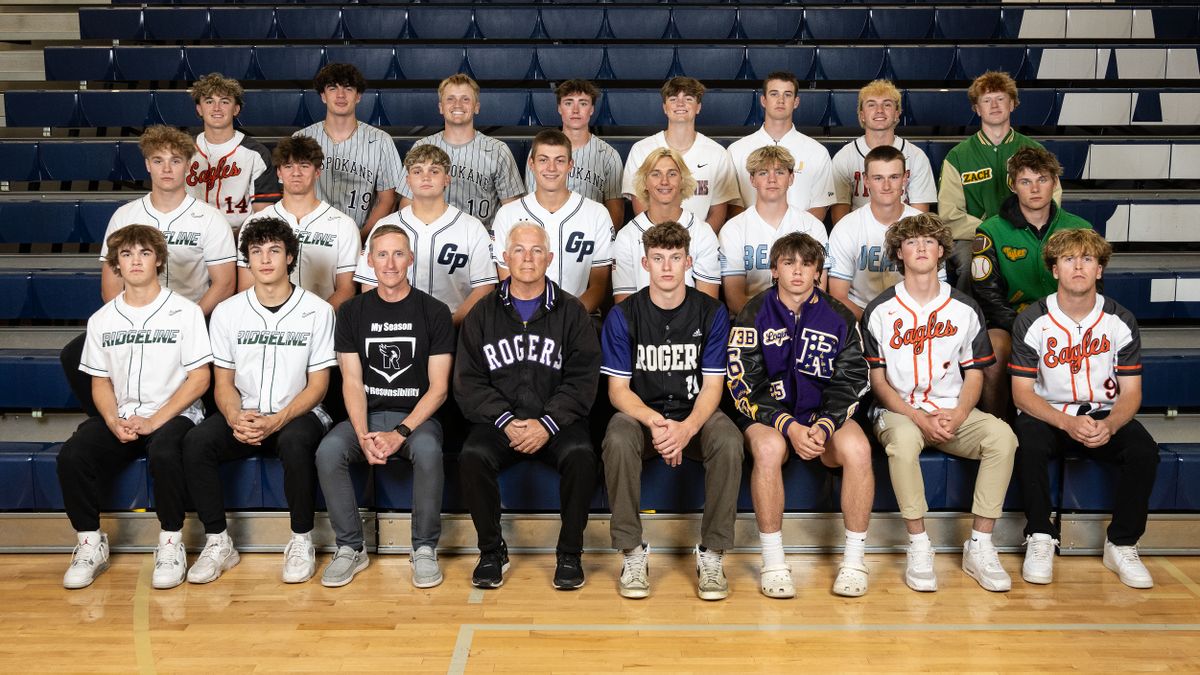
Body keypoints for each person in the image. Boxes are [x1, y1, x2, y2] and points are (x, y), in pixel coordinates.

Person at [862, 213, 1017, 593]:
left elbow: (976, 373)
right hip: (900, 411)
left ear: (941, 251)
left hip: (951, 409)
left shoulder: (964, 307)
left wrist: (960, 413)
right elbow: (878, 382)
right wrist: (918, 417)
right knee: (902, 443)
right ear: (899, 253)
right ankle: (918, 544)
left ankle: (980, 544)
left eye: (929, 241)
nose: (921, 248)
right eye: (911, 242)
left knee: (1003, 438)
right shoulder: (880, 309)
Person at [57, 226, 212, 590]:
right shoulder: (102, 320)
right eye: (126, 255)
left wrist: (155, 420)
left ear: (158, 259)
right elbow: (100, 382)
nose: (136, 261)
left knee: (165, 452)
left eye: (144, 253)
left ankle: (171, 543)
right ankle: (89, 542)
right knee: (72, 455)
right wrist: (113, 420)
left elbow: (200, 378)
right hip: (125, 415)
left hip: (174, 414)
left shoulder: (185, 312)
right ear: (116, 264)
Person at [182, 218, 336, 585]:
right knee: (196, 443)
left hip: (298, 411)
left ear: (290, 257)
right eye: (256, 251)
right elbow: (223, 382)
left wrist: (278, 419)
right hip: (245, 411)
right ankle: (218, 541)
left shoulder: (318, 310)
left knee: (296, 442)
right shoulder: (228, 312)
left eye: (274, 251)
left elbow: (318, 386)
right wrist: (235, 416)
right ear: (247, 260)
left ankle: (301, 540)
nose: (265, 259)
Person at [454, 224, 601, 591]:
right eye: (519, 250)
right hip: (499, 422)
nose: (528, 258)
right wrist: (505, 421)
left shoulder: (572, 311)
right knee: (472, 455)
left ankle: (570, 553)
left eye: (536, 251)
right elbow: (468, 382)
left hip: (557, 422)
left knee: (581, 455)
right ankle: (492, 551)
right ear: (505, 258)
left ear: (549, 258)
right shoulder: (482, 313)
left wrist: (547, 424)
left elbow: (582, 379)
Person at [727, 233, 874, 599]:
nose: (797, 271)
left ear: (818, 272)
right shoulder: (754, 313)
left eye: (807, 264)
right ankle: (774, 561)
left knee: (858, 448)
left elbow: (853, 378)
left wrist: (825, 424)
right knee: (769, 449)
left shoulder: (839, 316)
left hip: (823, 417)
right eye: (789, 263)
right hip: (771, 418)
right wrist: (788, 426)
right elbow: (743, 382)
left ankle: (854, 561)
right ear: (775, 269)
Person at [1010, 229, 1158, 589]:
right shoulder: (1033, 320)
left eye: (1087, 259)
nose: (1078, 267)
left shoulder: (1120, 319)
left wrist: (1111, 424)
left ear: (1099, 269)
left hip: (1102, 414)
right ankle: (1040, 535)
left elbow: (1132, 393)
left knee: (1143, 450)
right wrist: (1067, 422)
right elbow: (1021, 395)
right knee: (1027, 442)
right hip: (1049, 414)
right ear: (1055, 269)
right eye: (1069, 259)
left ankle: (1121, 543)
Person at [601, 221, 740, 601]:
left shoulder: (711, 312)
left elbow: (713, 387)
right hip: (643, 417)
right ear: (644, 263)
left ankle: (712, 552)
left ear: (688, 262)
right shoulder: (623, 315)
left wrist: (687, 428)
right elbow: (618, 391)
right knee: (617, 436)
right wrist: (656, 422)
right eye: (658, 258)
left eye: (675, 258)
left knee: (729, 440)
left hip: (695, 415)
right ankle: (632, 551)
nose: (666, 267)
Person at [60, 125, 235, 416]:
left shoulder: (209, 218)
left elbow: (224, 284)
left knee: (217, 360)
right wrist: (132, 321)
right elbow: (110, 287)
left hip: (194, 314)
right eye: (158, 160)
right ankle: (112, 421)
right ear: (147, 165)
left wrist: (186, 320)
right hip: (134, 315)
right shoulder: (125, 215)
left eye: (175, 160)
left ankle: (197, 423)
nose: (166, 169)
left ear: (188, 166)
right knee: (73, 355)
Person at [316, 225, 455, 588]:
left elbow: (439, 389)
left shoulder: (434, 311)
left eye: (398, 254)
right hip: (368, 415)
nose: (390, 263)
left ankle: (423, 547)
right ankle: (350, 547)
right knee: (329, 451)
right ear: (369, 260)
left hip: (416, 419)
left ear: (410, 259)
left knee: (428, 451)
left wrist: (400, 433)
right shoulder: (351, 312)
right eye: (382, 254)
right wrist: (362, 435)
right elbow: (351, 380)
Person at [973, 146, 1093, 418]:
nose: (1035, 189)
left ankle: (1083, 418)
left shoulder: (1081, 229)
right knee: (992, 352)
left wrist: (1063, 328)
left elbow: (1093, 291)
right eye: (1026, 181)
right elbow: (988, 296)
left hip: (1068, 322)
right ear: (1013, 186)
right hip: (1011, 323)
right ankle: (998, 427)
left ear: (1055, 182)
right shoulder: (990, 231)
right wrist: (1026, 330)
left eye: (1042, 180)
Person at [938, 71, 1061, 292]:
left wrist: (1025, 228)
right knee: (972, 264)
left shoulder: (1035, 150)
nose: (994, 105)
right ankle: (970, 313)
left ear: (1012, 104)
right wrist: (994, 230)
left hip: (1028, 232)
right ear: (977, 108)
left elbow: (1053, 199)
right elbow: (949, 214)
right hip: (974, 236)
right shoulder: (958, 156)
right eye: (986, 100)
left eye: (1000, 98)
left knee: (1051, 260)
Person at [355, 144, 496, 326]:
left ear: (447, 179)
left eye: (434, 171)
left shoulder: (472, 227)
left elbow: (484, 288)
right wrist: (392, 325)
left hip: (455, 323)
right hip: (396, 324)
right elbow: (369, 285)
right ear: (408, 180)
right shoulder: (385, 226)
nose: (426, 177)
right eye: (417, 171)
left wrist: (449, 327)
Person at [493, 129, 614, 314]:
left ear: (570, 165)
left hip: (580, 317)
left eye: (559, 160)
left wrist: (567, 320)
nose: (551, 168)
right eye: (543, 160)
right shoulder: (507, 214)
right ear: (531, 164)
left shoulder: (597, 214)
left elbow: (598, 287)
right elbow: (508, 281)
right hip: (522, 319)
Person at [239, 136, 359, 311]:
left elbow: (347, 289)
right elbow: (246, 287)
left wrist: (317, 318)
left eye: (304, 165)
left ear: (317, 172)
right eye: (288, 166)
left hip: (323, 318)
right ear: (279, 172)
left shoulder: (343, 225)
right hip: (267, 320)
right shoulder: (256, 222)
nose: (296, 173)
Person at [397, 73, 525, 230]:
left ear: (476, 107)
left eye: (465, 99)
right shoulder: (422, 146)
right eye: (450, 99)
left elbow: (512, 210)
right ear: (441, 107)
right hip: (430, 234)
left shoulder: (498, 150)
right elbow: (407, 203)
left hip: (483, 237)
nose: (457, 105)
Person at [827, 145, 939, 321]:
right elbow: (838, 296)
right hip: (861, 315)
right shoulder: (846, 228)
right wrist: (872, 325)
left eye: (894, 177)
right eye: (878, 178)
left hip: (915, 316)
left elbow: (937, 290)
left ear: (905, 179)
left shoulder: (924, 226)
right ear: (866, 180)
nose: (886, 186)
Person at [294, 63, 404, 237]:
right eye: (332, 88)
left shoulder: (381, 140)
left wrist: (361, 238)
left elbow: (388, 200)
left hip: (363, 237)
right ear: (323, 96)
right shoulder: (301, 138)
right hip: (310, 237)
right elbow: (291, 194)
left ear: (358, 96)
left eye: (348, 88)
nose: (341, 95)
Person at [719, 145, 829, 315]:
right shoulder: (733, 229)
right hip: (751, 321)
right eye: (763, 173)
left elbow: (818, 290)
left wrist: (793, 321)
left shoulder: (813, 227)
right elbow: (734, 299)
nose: (772, 179)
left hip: (803, 320)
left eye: (780, 172)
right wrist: (771, 322)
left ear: (791, 178)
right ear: (752, 180)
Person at [620, 77, 740, 230]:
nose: (680, 103)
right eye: (673, 99)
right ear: (665, 107)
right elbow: (641, 205)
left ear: (698, 107)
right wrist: (661, 240)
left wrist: (699, 240)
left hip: (699, 241)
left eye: (688, 99)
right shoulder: (641, 150)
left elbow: (718, 212)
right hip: (653, 240)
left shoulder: (717, 153)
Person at [613, 149, 720, 302]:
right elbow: (625, 307)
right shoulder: (626, 236)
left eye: (672, 174)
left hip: (691, 317)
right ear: (645, 182)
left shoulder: (702, 232)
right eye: (655, 174)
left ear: (682, 181)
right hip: (642, 317)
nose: (664, 181)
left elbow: (708, 305)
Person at [728, 71, 835, 222]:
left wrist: (792, 234)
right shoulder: (736, 150)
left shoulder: (817, 152)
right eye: (774, 94)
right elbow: (733, 205)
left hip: (800, 236)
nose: (781, 100)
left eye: (787, 94)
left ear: (796, 102)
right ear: (763, 100)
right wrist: (760, 231)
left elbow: (820, 207)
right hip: (750, 235)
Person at [829, 79, 936, 225]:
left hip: (904, 232)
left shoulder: (916, 156)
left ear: (897, 114)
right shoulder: (844, 157)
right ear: (862, 115)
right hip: (860, 233)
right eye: (871, 104)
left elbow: (920, 219)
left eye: (887, 104)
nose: (879, 110)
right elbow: (840, 220)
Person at [186, 72, 281, 231]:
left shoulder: (256, 153)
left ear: (236, 109)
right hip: (190, 234)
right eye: (209, 101)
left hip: (239, 235)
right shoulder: (182, 150)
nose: (216, 108)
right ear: (199, 109)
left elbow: (263, 215)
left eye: (224, 101)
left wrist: (233, 238)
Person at [528, 79, 625, 230]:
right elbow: (531, 202)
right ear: (559, 108)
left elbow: (615, 214)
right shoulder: (540, 151)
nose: (575, 110)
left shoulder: (608, 155)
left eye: (583, 103)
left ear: (592, 109)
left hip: (590, 234)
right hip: (544, 233)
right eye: (568, 103)